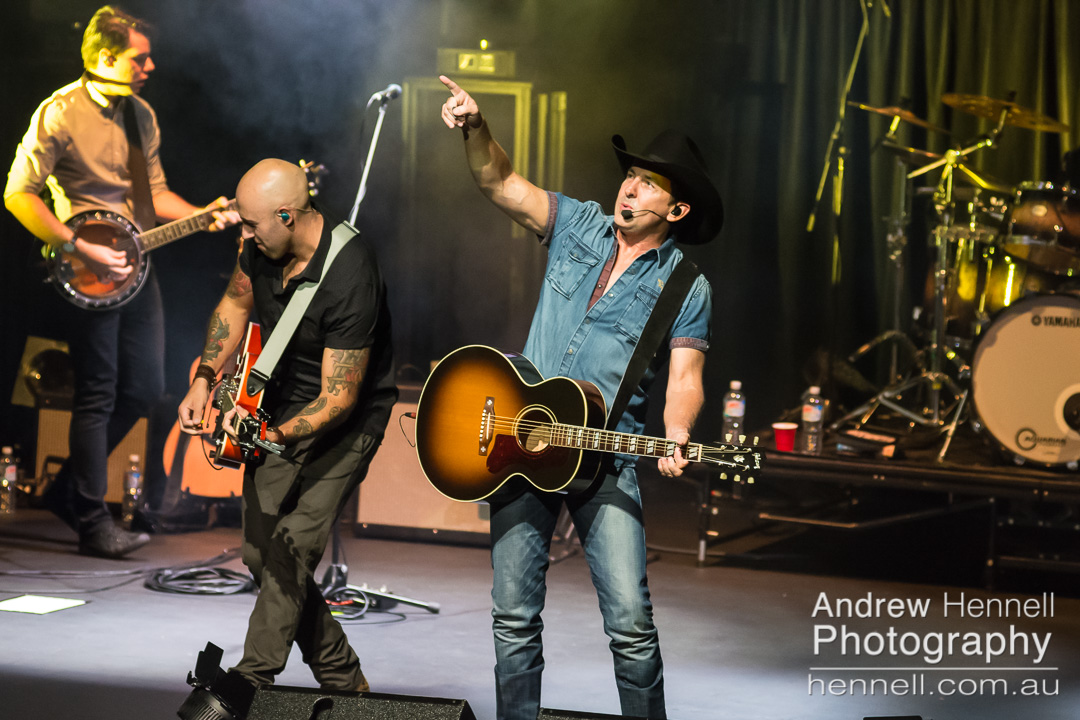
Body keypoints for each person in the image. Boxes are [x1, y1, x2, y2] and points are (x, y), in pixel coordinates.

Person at [439, 75, 723, 720]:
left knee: (631, 625)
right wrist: (476, 127)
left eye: (649, 183)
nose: (630, 187)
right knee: (513, 616)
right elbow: (499, 182)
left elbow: (685, 377)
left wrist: (678, 432)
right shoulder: (579, 225)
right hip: (522, 442)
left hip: (605, 458)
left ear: (677, 211)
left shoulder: (687, 287)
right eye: (632, 176)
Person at [4, 5, 238, 558]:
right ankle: (92, 520)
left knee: (144, 391)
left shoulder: (142, 115)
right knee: (99, 390)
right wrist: (76, 243)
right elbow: (18, 194)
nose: (150, 67)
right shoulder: (58, 112)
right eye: (140, 58)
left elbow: (154, 195)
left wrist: (203, 215)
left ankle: (66, 491)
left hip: (138, 268)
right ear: (106, 58)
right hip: (86, 272)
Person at [177, 159, 397, 695]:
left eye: (253, 225)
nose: (245, 235)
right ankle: (346, 682)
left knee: (293, 545)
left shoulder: (351, 272)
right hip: (276, 407)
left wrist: (271, 437)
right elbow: (235, 303)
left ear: (287, 216)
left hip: (347, 422)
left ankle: (250, 679)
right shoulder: (260, 247)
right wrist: (204, 378)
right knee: (260, 553)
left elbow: (338, 398)